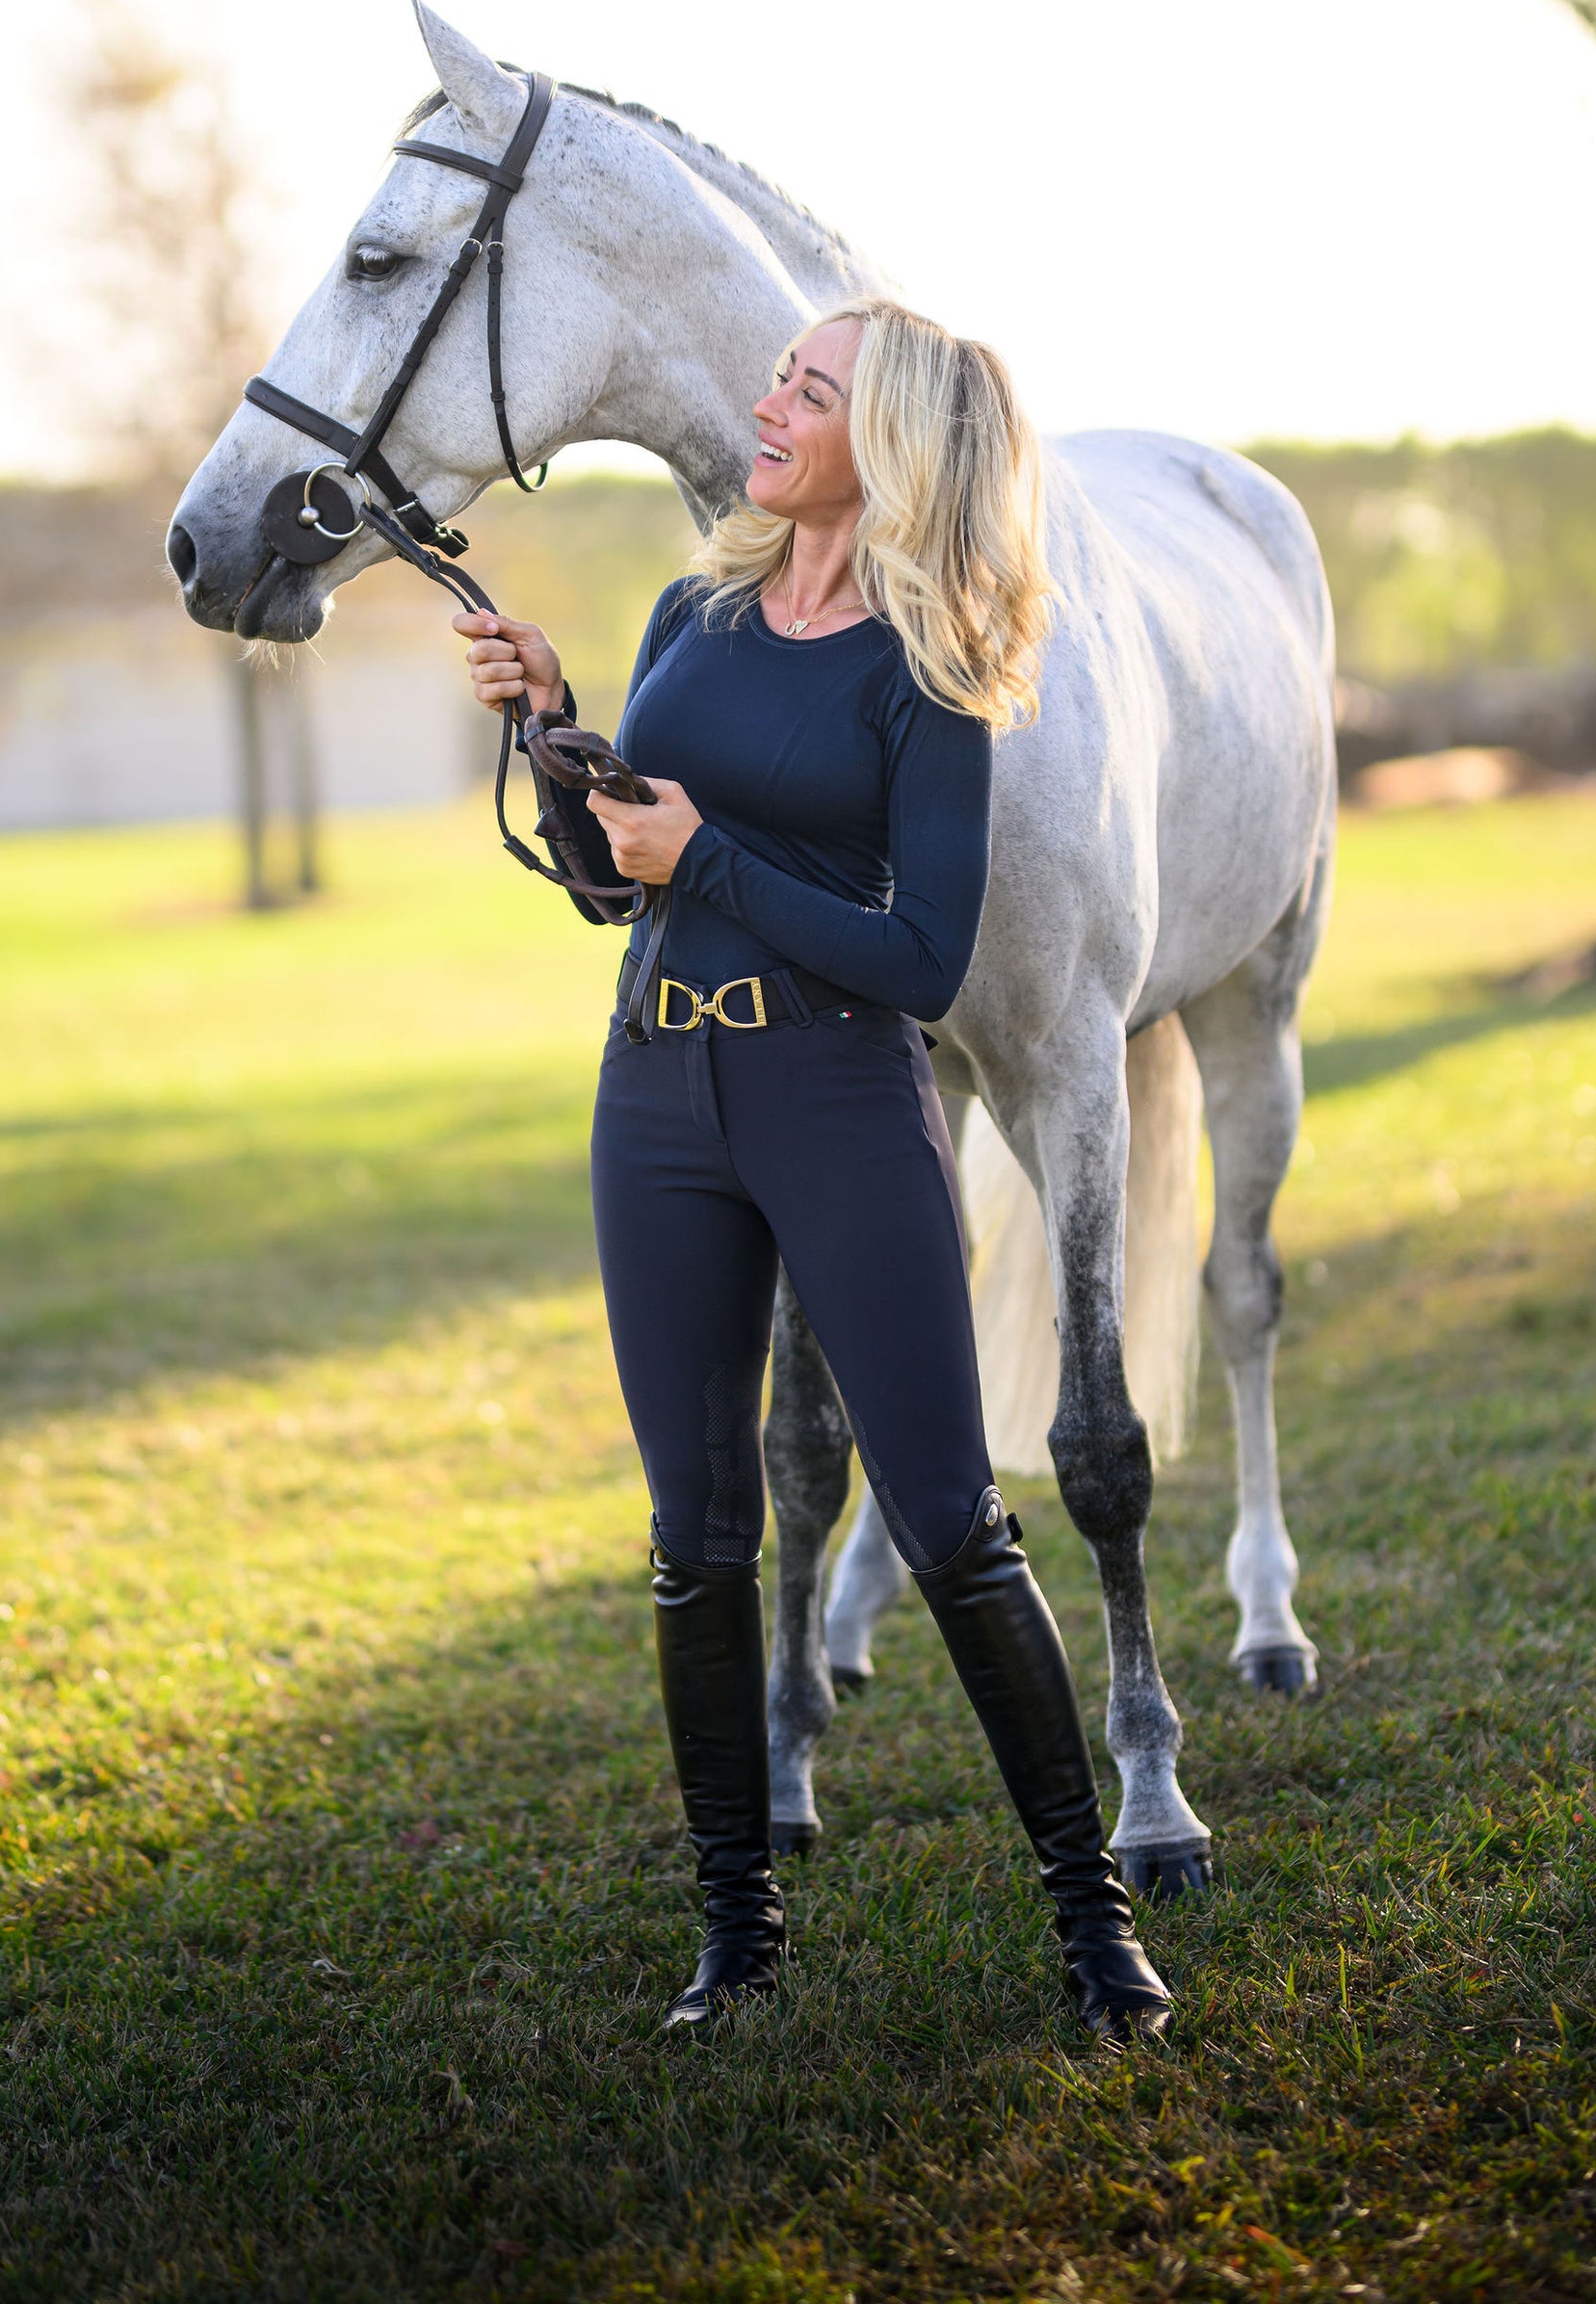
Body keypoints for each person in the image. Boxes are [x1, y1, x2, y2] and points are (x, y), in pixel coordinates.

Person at [453, 298, 1172, 2044]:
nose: (771, 401)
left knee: (953, 1528)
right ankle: (738, 1929)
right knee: (694, 1545)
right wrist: (561, 736)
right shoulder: (694, 611)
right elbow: (621, 885)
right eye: (782, 373)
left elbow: (923, 959)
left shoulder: (940, 662)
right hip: (656, 1097)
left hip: (839, 1097)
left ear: (898, 440)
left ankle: (1093, 1923)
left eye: (814, 388)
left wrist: (710, 850)